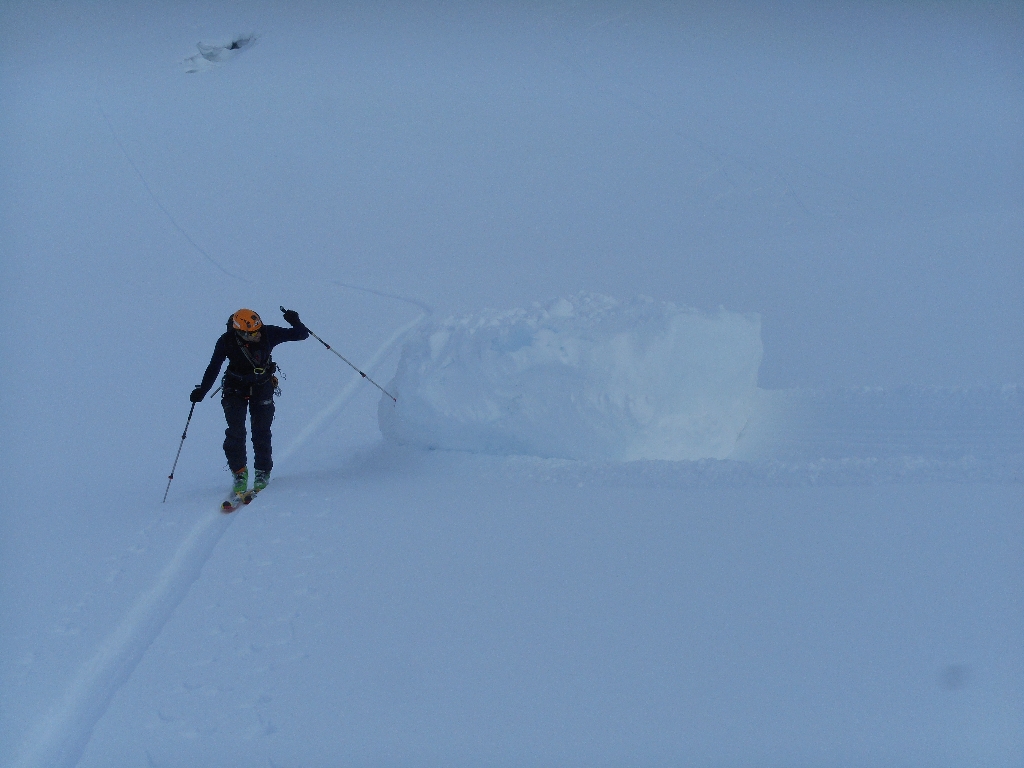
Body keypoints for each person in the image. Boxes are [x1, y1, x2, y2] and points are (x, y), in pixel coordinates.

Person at [190, 307, 309, 498]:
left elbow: (301, 334)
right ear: (239, 332)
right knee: (235, 431)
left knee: (261, 431)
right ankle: (239, 472)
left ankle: (262, 471)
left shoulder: (268, 333)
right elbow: (214, 366)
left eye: (258, 330)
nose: (257, 335)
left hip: (262, 386)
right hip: (234, 388)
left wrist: (294, 321)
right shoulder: (226, 341)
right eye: (251, 333)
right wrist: (202, 390)